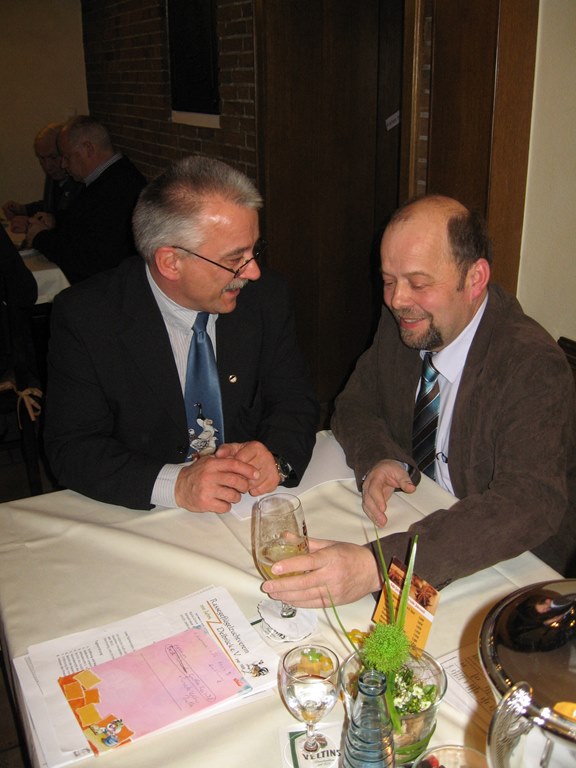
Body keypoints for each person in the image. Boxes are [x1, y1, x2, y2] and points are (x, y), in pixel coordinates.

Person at [261, 194, 576, 609]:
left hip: (508, 567)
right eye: (389, 280)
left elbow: (527, 504)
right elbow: (353, 404)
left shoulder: (530, 364)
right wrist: (379, 456)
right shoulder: (408, 322)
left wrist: (379, 567)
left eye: (418, 283)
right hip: (416, 518)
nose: (396, 300)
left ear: (475, 278)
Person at [44, 155, 318, 513]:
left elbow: (294, 400)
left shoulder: (266, 297)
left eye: (255, 249)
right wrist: (175, 484)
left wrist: (275, 458)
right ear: (170, 262)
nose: (253, 272)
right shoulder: (87, 316)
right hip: (143, 514)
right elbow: (72, 448)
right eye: (235, 258)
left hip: (246, 507)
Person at [25, 115, 146, 283]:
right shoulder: (106, 179)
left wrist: (41, 238)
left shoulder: (118, 187)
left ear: (88, 149)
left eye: (67, 157)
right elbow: (85, 222)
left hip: (112, 286)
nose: (63, 165)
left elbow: (90, 258)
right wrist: (55, 221)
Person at [2, 123, 82, 233]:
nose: (47, 166)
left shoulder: (80, 181)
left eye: (53, 157)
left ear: (67, 153)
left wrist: (31, 225)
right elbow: (51, 208)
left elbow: (74, 224)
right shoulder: (56, 173)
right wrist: (24, 209)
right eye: (42, 158)